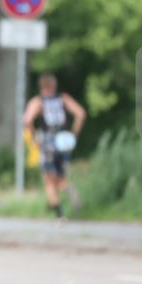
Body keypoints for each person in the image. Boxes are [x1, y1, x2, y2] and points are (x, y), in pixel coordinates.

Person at [22, 73, 86, 219]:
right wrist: (73, 135)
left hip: (48, 143)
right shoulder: (63, 99)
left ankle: (59, 215)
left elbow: (27, 120)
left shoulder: (38, 102)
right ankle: (70, 190)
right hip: (63, 142)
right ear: (54, 85)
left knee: (49, 181)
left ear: (41, 86)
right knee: (61, 177)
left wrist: (34, 139)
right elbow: (81, 114)